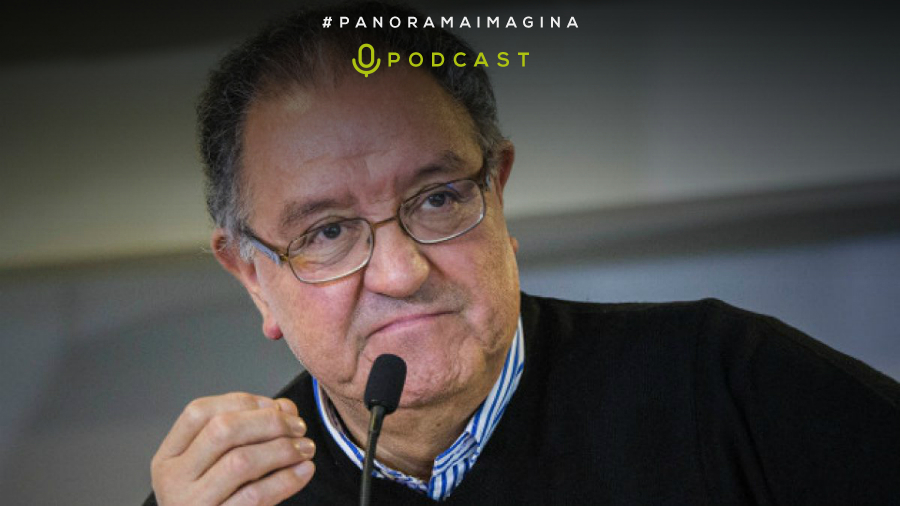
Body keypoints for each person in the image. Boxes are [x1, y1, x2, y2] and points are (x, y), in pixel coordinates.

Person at [144, 2, 900, 505]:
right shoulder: (224, 497)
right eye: (328, 233)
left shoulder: (719, 379)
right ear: (254, 277)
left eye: (437, 199)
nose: (402, 273)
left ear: (497, 192)